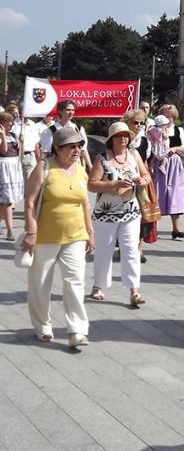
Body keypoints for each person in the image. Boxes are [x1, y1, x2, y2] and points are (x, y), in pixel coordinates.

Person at [22, 125, 94, 347]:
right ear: (57, 147)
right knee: (40, 283)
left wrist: (90, 232)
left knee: (75, 282)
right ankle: (43, 324)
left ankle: (77, 330)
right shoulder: (45, 168)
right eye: (71, 146)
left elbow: (84, 202)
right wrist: (31, 231)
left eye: (79, 146)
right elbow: (30, 201)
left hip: (75, 235)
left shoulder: (81, 167)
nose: (77, 150)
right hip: (45, 236)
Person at [88, 121, 152, 306]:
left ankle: (134, 292)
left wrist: (142, 180)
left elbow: (147, 175)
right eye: (119, 135)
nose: (123, 138)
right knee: (104, 251)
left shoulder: (133, 155)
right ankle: (97, 286)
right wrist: (114, 184)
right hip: (105, 214)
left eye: (126, 135)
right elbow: (92, 184)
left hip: (131, 212)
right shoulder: (102, 158)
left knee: (131, 250)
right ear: (111, 139)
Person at [151, 104, 184, 239]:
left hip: (173, 163)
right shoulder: (155, 130)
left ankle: (176, 228)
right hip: (159, 162)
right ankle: (152, 228)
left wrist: (175, 148)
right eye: (165, 116)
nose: (168, 119)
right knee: (157, 192)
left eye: (170, 117)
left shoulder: (178, 130)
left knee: (175, 193)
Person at [123, 109, 156, 260]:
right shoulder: (122, 139)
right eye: (135, 123)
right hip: (125, 180)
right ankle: (125, 246)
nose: (138, 126)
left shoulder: (145, 141)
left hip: (142, 181)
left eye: (141, 123)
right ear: (128, 123)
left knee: (144, 215)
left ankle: (139, 248)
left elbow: (147, 162)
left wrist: (145, 179)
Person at [0, 111, 23, 240]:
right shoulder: (1, 135)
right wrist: (2, 136)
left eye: (11, 121)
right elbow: (3, 150)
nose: (11, 123)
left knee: (4, 202)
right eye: (8, 121)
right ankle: (10, 231)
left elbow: (20, 152)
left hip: (13, 168)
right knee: (8, 201)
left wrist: (22, 142)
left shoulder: (14, 135)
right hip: (3, 168)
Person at [54, 100, 92, 173]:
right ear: (60, 111)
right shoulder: (51, 130)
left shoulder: (79, 128)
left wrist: (90, 166)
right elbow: (46, 151)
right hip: (56, 165)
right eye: (68, 110)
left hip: (75, 165)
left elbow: (83, 149)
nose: (71, 112)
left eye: (73, 110)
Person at [19, 115, 42, 188]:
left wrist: (38, 160)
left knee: (29, 184)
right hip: (15, 157)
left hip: (30, 156)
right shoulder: (13, 124)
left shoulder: (32, 124)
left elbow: (36, 144)